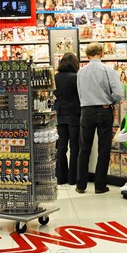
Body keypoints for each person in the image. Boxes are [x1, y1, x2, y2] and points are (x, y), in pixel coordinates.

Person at [76, 43, 123, 194]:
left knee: (84, 148)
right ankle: (100, 185)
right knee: (104, 148)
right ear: (101, 54)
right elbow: (118, 93)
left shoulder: (81, 72)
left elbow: (80, 93)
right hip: (103, 110)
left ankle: (81, 185)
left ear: (87, 55)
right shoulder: (107, 69)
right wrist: (110, 102)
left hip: (86, 111)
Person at [54, 53, 81, 186]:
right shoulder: (76, 77)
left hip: (60, 114)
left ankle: (60, 177)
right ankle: (72, 178)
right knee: (75, 146)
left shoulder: (55, 77)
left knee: (61, 147)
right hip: (74, 114)